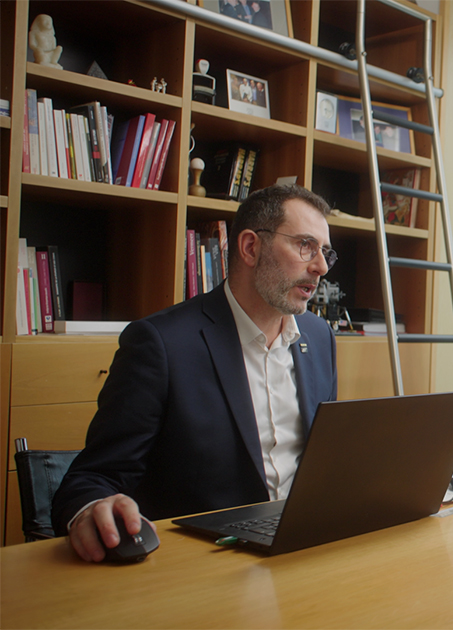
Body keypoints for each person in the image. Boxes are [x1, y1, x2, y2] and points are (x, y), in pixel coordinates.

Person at [52, 184, 339, 562]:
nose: (320, 267)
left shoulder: (319, 338)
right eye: (306, 246)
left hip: (305, 547)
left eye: (325, 252)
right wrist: (91, 510)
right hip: (205, 564)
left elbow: (323, 459)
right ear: (251, 247)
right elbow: (91, 479)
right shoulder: (161, 344)